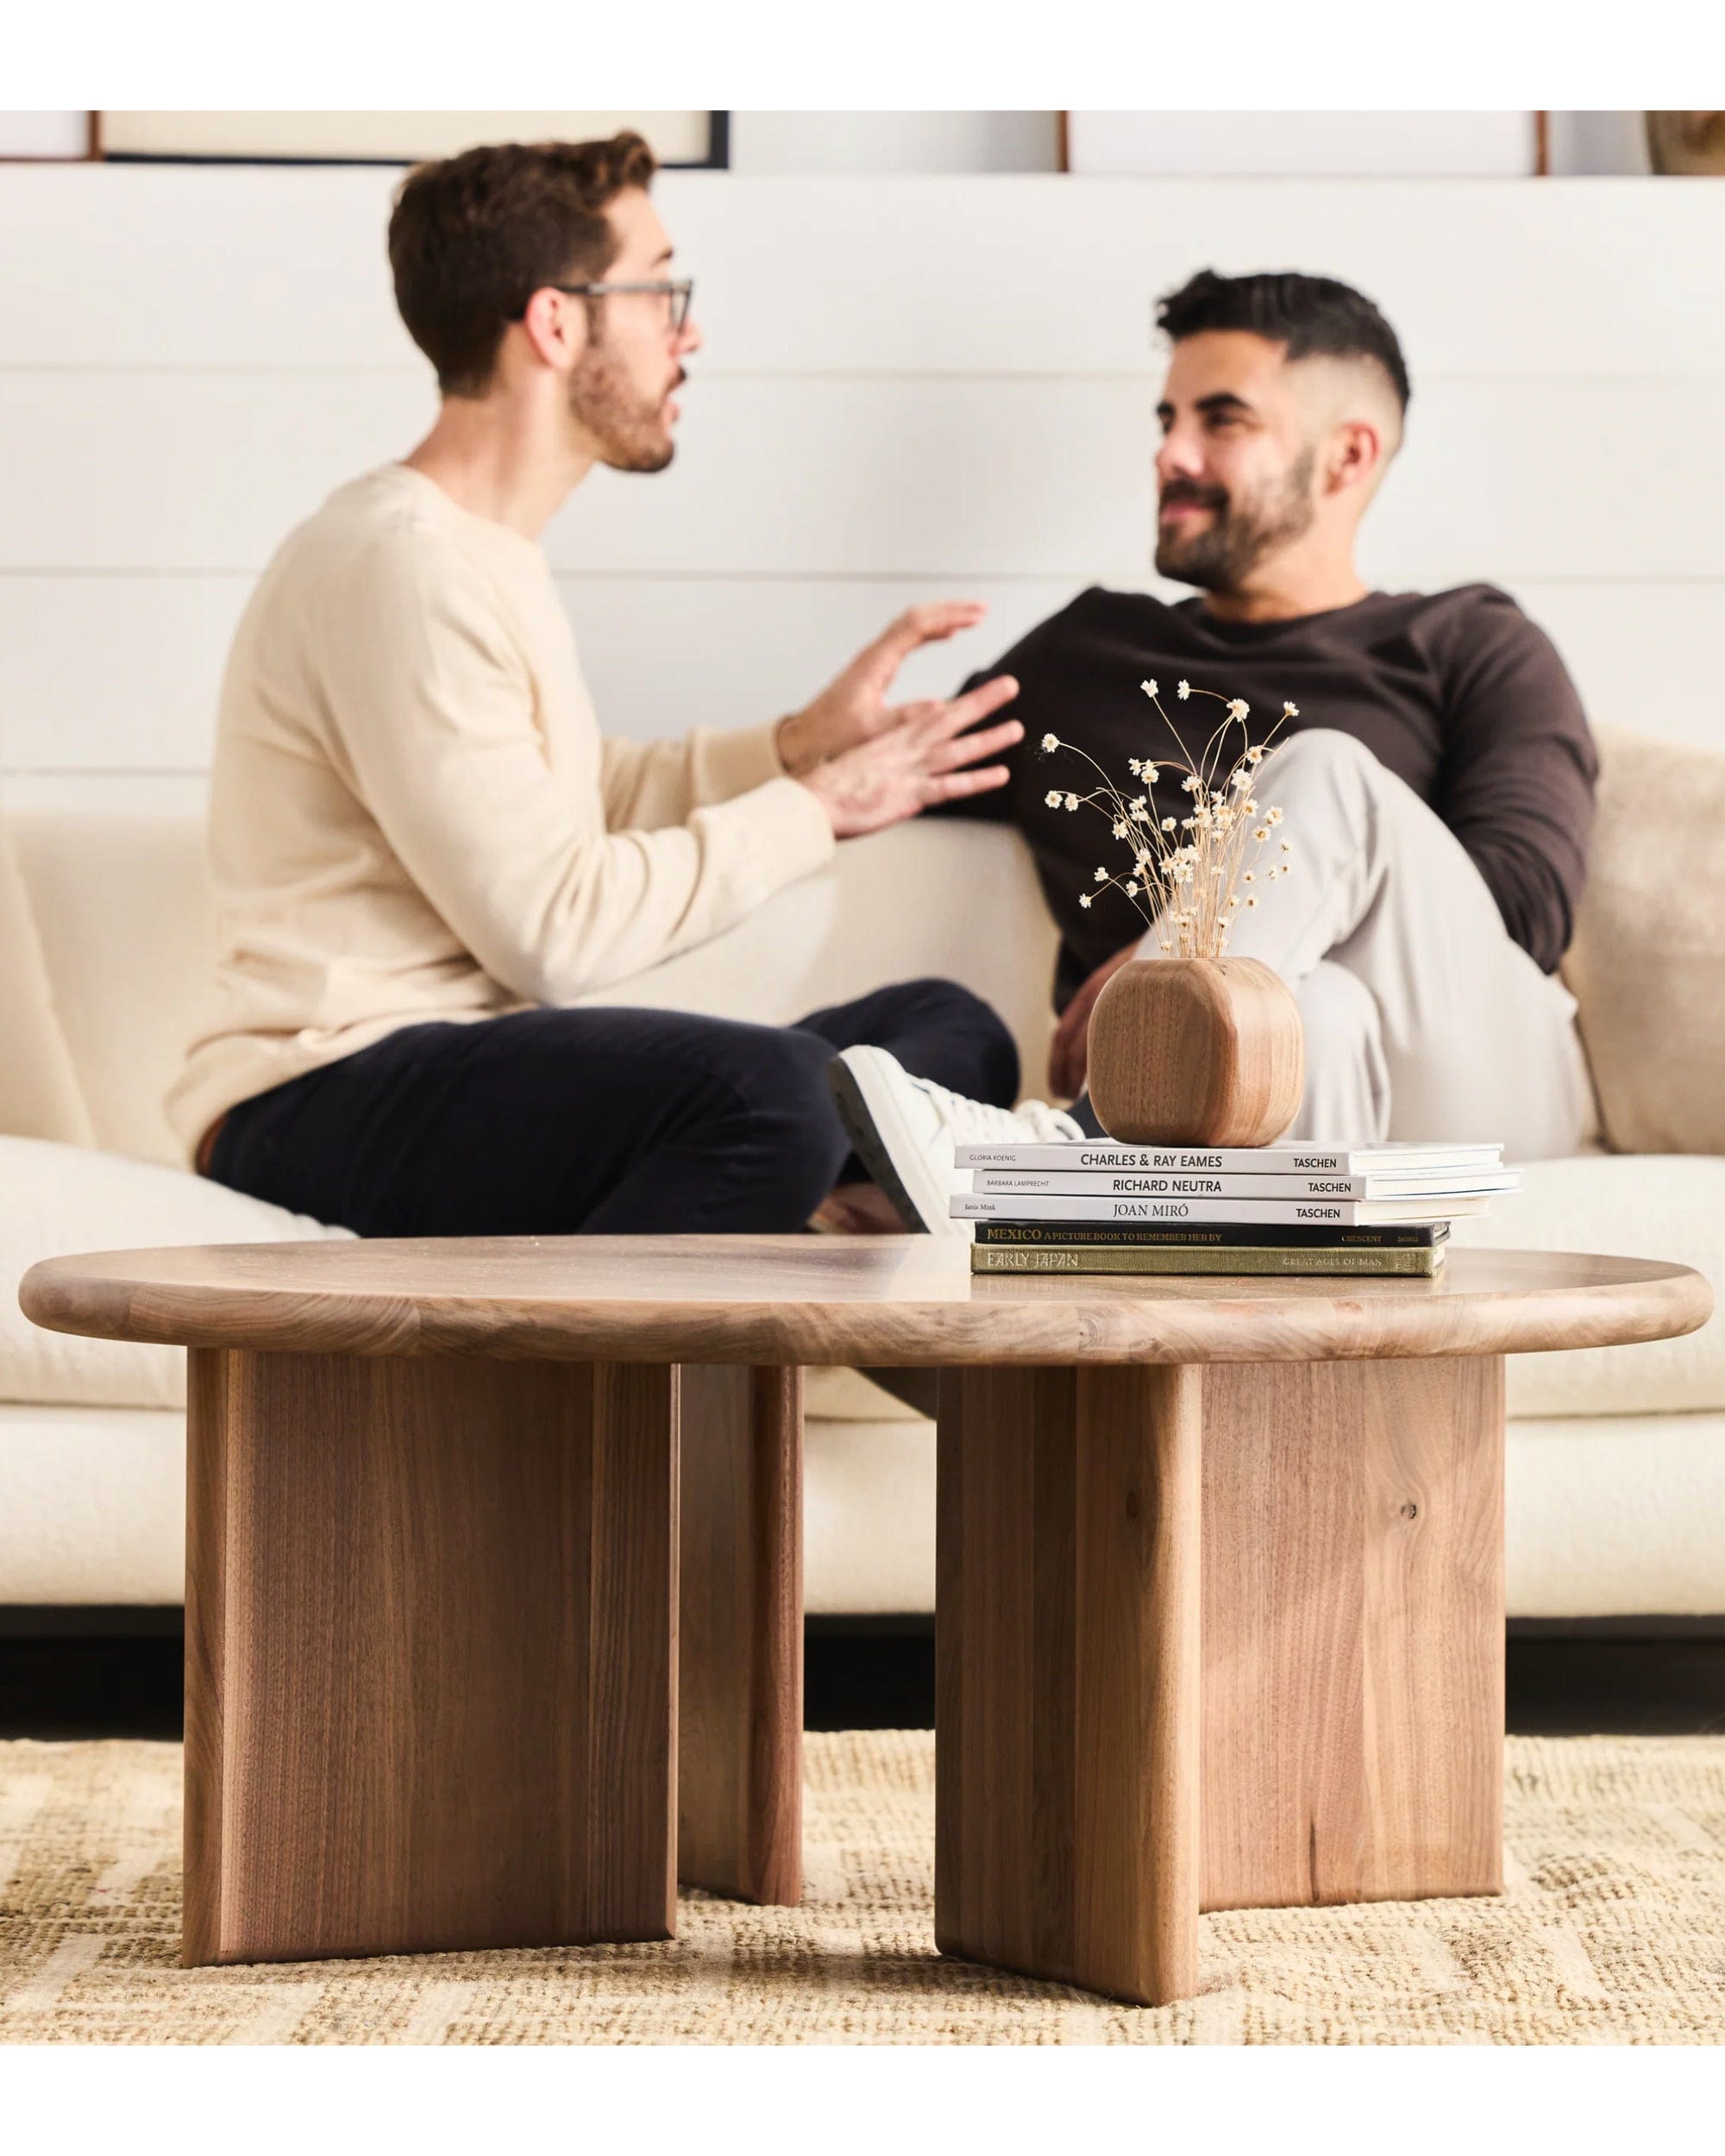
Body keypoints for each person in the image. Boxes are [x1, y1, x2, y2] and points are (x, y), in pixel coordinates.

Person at [168, 132, 1076, 1238]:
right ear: (556, 322)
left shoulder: (476, 550)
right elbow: (552, 932)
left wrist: (798, 746)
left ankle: (799, 1220)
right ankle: (635, 1359)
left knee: (947, 1033)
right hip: (316, 1097)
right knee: (777, 1097)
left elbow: (573, 798)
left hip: (445, 1075)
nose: (685, 333)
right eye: (660, 292)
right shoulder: (400, 564)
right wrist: (819, 810)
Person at [832, 267, 1602, 1234]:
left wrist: (1176, 954)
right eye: (1165, 419)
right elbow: (889, 785)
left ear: (1345, 456)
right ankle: (1243, 1334)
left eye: (1221, 420)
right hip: (1278, 1096)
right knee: (1303, 1016)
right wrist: (809, 746)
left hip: (1474, 1077)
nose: (1169, 453)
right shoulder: (1084, 654)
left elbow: (1522, 910)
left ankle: (1088, 1149)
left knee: (1322, 772)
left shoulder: (1467, 641)